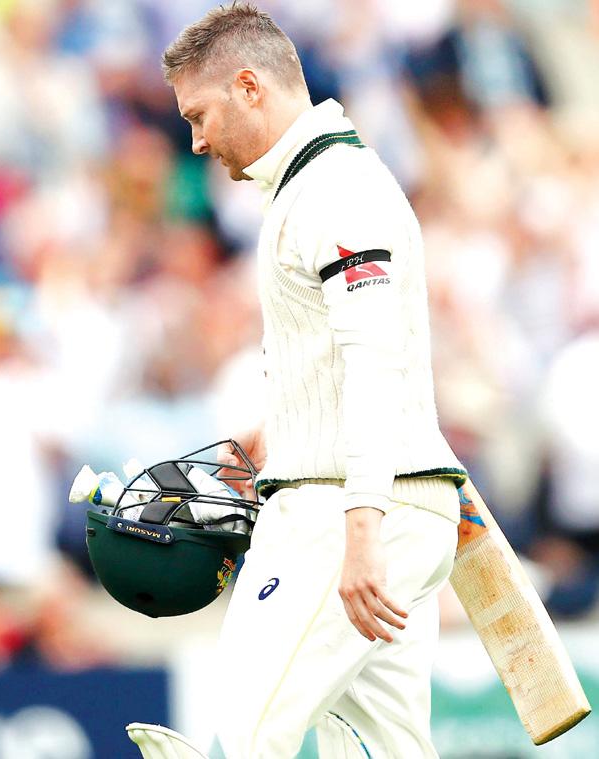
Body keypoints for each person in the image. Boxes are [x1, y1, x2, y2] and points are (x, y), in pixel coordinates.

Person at [142, 4, 468, 758]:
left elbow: (373, 357)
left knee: (247, 736)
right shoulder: (308, 186)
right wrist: (274, 433)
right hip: (372, 503)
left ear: (250, 86)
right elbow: (336, 358)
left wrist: (362, 527)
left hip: (346, 512)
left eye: (199, 114)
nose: (194, 139)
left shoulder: (336, 188)